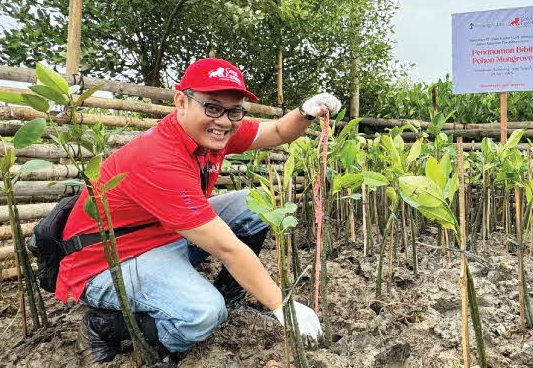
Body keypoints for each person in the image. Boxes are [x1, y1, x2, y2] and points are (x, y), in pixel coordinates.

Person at [54, 57, 341, 362]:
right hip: (107, 261)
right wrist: (282, 305)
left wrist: (305, 112)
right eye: (212, 107)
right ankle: (104, 325)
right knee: (203, 314)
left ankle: (230, 299)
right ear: (181, 102)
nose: (224, 121)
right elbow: (227, 249)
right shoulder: (159, 157)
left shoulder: (215, 131)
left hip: (162, 235)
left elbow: (279, 133)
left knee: (255, 204)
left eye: (234, 110)